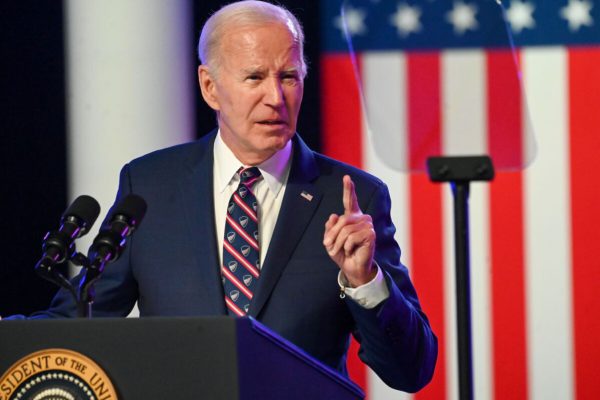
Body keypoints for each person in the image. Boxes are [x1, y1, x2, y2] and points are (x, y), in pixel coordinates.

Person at [12, 0, 437, 392]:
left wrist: (366, 282)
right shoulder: (151, 184)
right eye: (254, 77)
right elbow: (81, 319)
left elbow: (411, 371)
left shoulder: (352, 197)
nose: (276, 97)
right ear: (210, 86)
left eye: (288, 76)